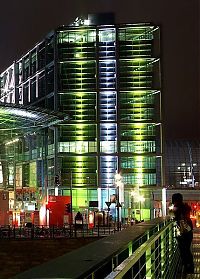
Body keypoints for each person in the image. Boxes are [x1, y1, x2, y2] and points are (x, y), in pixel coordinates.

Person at [172, 193, 194, 274]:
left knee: (183, 249)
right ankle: (190, 266)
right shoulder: (186, 207)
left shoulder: (176, 208)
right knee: (187, 249)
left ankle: (186, 266)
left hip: (182, 231)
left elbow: (173, 217)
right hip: (188, 230)